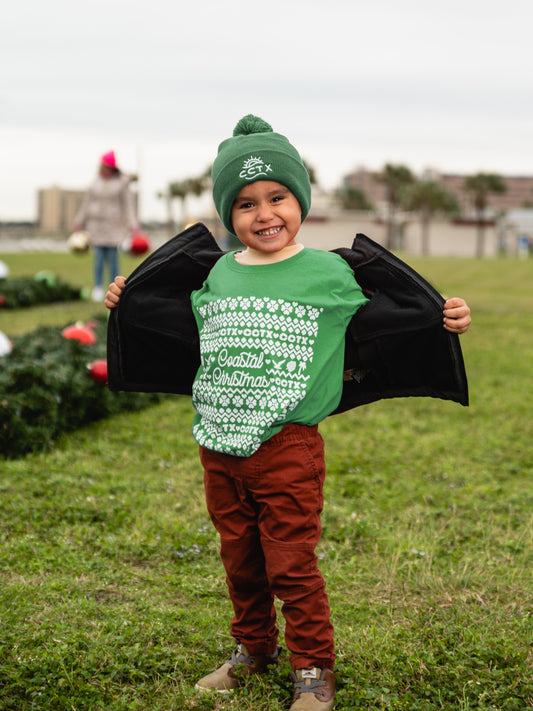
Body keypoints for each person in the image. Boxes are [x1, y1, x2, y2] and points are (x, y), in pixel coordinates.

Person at [105, 115, 471, 711]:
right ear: (229, 215)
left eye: (278, 197)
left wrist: (446, 315)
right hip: (218, 445)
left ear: (299, 201)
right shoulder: (219, 272)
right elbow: (181, 323)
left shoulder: (330, 273)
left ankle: (313, 672)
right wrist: (131, 299)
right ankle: (253, 648)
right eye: (245, 204)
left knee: (292, 565)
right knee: (240, 560)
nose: (264, 213)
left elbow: (392, 321)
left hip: (288, 447)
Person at [74, 150, 140, 302]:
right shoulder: (95, 181)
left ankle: (114, 289)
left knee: (112, 258)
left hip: (113, 226)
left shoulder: (121, 183)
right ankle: (97, 287)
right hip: (95, 226)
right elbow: (87, 204)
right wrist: (79, 221)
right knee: (98, 258)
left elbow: (128, 205)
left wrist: (133, 225)